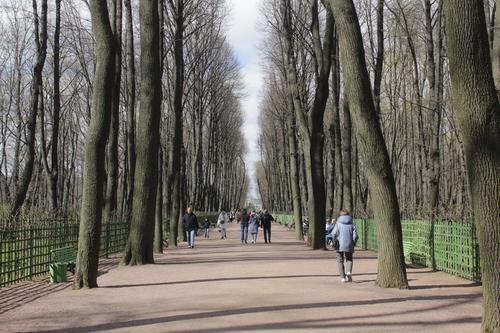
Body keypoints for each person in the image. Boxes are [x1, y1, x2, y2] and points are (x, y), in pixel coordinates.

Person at [331, 210, 358, 282]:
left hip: (339, 245)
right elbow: (355, 236)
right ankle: (348, 271)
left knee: (340, 261)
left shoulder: (338, 223)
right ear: (348, 215)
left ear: (340, 215)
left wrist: (334, 243)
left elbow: (333, 234)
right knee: (349, 259)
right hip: (349, 244)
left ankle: (343, 278)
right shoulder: (352, 224)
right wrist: (353, 243)